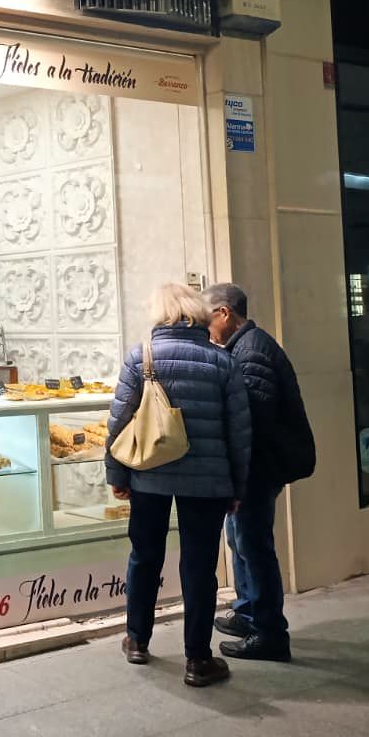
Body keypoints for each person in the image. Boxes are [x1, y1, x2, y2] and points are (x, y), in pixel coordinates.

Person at [106, 283, 251, 688]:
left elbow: (119, 421)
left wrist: (117, 474)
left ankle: (137, 639)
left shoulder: (143, 356)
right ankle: (197, 660)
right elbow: (239, 431)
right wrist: (237, 486)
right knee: (199, 567)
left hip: (149, 474)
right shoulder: (221, 362)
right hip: (208, 482)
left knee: (145, 556)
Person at [205, 283, 316, 663]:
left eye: (208, 319)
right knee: (241, 540)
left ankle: (269, 633)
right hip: (254, 466)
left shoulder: (252, 352)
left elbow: (252, 419)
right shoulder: (247, 346)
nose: (206, 328)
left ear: (224, 313)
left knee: (254, 546)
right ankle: (249, 610)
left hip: (258, 468)